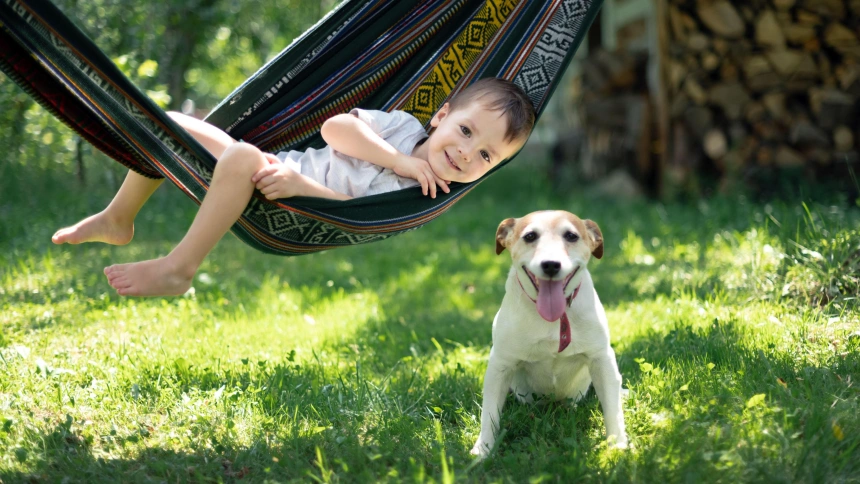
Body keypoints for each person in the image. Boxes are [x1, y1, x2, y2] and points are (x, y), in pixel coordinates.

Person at [51, 78, 536, 297]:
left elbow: (356, 215)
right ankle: (119, 218)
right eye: (467, 132)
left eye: (486, 157)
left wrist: (303, 188)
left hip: (294, 199)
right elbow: (335, 129)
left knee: (239, 156)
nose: (467, 154)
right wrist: (400, 162)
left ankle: (180, 268)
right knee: (170, 123)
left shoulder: (426, 196)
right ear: (443, 115)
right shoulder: (403, 130)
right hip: (277, 166)